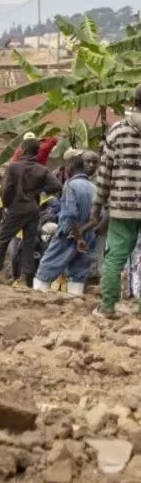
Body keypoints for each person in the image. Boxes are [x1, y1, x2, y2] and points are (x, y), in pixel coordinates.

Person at [0, 137, 62, 287]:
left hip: (16, 208)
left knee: (2, 239)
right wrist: (38, 191)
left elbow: (5, 190)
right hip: (33, 209)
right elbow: (57, 185)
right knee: (29, 243)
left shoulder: (13, 167)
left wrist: (8, 205)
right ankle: (23, 279)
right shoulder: (41, 169)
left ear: (23, 150)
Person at [93, 85, 141, 317]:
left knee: (115, 257)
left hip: (122, 207)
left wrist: (97, 204)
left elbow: (104, 173)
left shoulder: (117, 131)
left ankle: (107, 306)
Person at [34, 154, 97, 295]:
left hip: (68, 234)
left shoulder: (70, 185)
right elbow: (97, 218)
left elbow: (71, 214)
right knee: (78, 271)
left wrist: (77, 235)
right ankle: (75, 301)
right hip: (88, 235)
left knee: (47, 266)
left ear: (70, 168)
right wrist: (83, 233)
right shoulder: (94, 188)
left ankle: (37, 298)